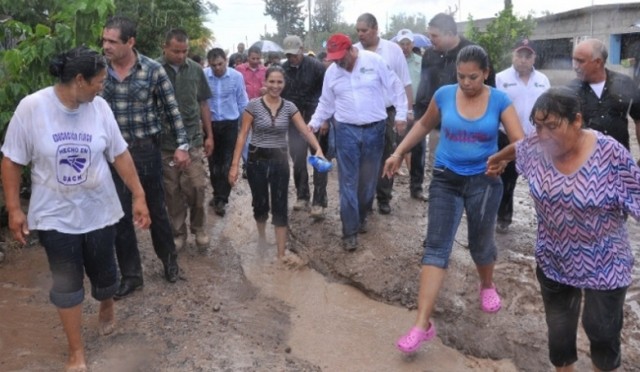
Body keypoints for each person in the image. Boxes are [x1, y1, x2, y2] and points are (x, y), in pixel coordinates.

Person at [1, 46, 150, 372]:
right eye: (98, 81)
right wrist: (14, 208)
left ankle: (106, 302)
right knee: (66, 283)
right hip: (54, 215)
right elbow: (12, 159)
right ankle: (76, 352)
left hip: (99, 210)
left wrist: (138, 195)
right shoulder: (32, 108)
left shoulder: (100, 109)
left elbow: (120, 154)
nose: (102, 87)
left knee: (104, 274)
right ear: (79, 80)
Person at [487, 87, 640, 372]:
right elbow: (520, 147)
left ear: (577, 121)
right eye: (538, 126)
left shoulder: (610, 155)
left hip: (605, 264)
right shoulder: (538, 145)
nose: (543, 135)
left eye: (553, 127)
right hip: (555, 259)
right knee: (559, 335)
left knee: (603, 333)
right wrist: (500, 159)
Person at [384, 45, 523, 353]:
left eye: (473, 77)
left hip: (484, 181)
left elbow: (520, 142)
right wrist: (398, 152)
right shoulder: (444, 95)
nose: (466, 83)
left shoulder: (499, 100)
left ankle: (486, 284)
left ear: (486, 74)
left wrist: (502, 158)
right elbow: (423, 124)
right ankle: (422, 324)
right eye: (461, 77)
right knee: (436, 247)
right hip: (446, 178)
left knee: (480, 243)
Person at [101, 16, 189, 297]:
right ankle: (131, 275)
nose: (106, 46)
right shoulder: (98, 70)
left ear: (130, 42)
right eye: (104, 40)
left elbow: (172, 110)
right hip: (113, 155)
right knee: (120, 215)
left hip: (145, 151)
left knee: (155, 210)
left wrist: (182, 144)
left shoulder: (152, 70)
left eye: (112, 41)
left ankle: (169, 261)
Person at [309, 33, 408, 251]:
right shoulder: (332, 73)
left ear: (352, 50)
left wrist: (401, 114)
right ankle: (349, 230)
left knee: (368, 180)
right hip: (346, 131)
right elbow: (326, 102)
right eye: (333, 59)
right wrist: (315, 122)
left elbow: (395, 87)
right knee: (347, 181)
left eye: (340, 57)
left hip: (375, 129)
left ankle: (362, 214)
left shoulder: (374, 61)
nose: (337, 62)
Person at [229, 65, 324, 259]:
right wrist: (234, 165)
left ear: (284, 84)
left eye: (279, 82)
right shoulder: (253, 106)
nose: (275, 86)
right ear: (265, 82)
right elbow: (242, 135)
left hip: (280, 160)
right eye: (271, 81)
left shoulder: (289, 107)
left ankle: (280, 254)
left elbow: (305, 130)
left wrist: (318, 149)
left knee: (280, 205)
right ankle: (262, 238)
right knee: (260, 203)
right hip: (257, 161)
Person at [415, 13, 495, 175]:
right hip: (438, 126)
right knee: (440, 168)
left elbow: (490, 89)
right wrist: (419, 116)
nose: (430, 39)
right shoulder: (430, 55)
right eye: (429, 35)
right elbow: (424, 88)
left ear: (450, 34)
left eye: (434, 36)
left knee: (468, 167)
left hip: (469, 126)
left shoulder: (474, 53)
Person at [158, 29, 214, 250]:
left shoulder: (196, 70)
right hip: (165, 144)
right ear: (165, 47)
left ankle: (199, 228)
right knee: (171, 190)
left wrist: (209, 135)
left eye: (185, 51)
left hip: (192, 141)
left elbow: (203, 104)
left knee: (197, 186)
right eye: (176, 51)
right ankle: (178, 232)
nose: (181, 56)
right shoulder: (154, 70)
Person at [355, 13, 414, 212]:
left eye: (364, 30)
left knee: (387, 153)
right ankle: (365, 198)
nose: (360, 34)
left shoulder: (392, 50)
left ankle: (384, 197)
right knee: (365, 156)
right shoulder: (354, 51)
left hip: (388, 112)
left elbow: (405, 82)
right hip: (362, 112)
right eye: (358, 31)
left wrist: (408, 110)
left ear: (375, 28)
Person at [495, 39, 550, 233]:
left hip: (537, 140)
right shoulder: (500, 79)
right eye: (520, 55)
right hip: (506, 137)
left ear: (534, 57)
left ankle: (546, 221)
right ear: (513, 55)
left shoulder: (543, 80)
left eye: (528, 56)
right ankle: (503, 217)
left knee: (542, 182)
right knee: (506, 180)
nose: (523, 60)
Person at [281, 35, 328, 219]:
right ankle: (302, 196)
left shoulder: (316, 67)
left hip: (316, 120)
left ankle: (319, 201)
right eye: (289, 55)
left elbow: (327, 95)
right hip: (294, 122)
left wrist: (324, 119)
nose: (292, 58)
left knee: (319, 159)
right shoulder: (283, 70)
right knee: (298, 159)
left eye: (295, 54)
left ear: (302, 49)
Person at [569, 39, 640, 151]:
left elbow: (638, 118)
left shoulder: (625, 83)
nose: (575, 66)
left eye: (580, 61)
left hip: (620, 162)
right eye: (574, 61)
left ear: (598, 62)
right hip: (585, 162)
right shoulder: (570, 90)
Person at [205, 48, 249, 216]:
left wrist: (245, 126)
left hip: (230, 124)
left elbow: (242, 101)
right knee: (213, 163)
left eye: (220, 64)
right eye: (213, 65)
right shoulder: (203, 76)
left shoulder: (236, 77)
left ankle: (222, 198)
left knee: (227, 162)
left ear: (226, 60)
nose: (217, 68)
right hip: (210, 125)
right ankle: (217, 193)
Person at [396, 28, 427, 199]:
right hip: (397, 108)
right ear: (398, 45)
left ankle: (416, 187)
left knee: (418, 148)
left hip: (417, 108)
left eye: (408, 44)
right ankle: (385, 191)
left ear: (412, 44)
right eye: (402, 44)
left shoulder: (420, 62)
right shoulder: (393, 62)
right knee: (394, 145)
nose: (405, 47)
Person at [235, 45, 267, 177]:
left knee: (260, 136)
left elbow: (270, 85)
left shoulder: (265, 70)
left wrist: (266, 89)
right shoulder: (239, 70)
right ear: (248, 57)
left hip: (261, 107)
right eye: (253, 58)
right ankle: (248, 165)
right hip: (244, 108)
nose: (255, 61)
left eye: (258, 58)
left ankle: (260, 163)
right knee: (245, 137)